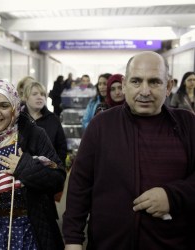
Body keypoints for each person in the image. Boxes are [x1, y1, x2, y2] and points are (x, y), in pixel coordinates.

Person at [62, 51, 195, 250]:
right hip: (109, 244)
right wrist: (73, 240)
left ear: (168, 86)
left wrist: (173, 196)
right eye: (136, 81)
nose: (144, 91)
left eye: (154, 82)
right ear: (124, 85)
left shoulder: (187, 124)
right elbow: (79, 185)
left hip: (173, 242)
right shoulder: (101, 126)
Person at [0, 79, 66, 250]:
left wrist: (25, 167)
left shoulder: (35, 134)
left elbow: (58, 179)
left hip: (32, 227)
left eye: (4, 106)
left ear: (14, 107)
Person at [22, 80, 68, 209]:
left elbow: (61, 147)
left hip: (45, 176)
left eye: (42, 94)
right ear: (25, 97)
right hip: (21, 175)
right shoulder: (17, 119)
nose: (40, 97)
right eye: (35, 94)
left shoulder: (53, 119)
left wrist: (57, 169)